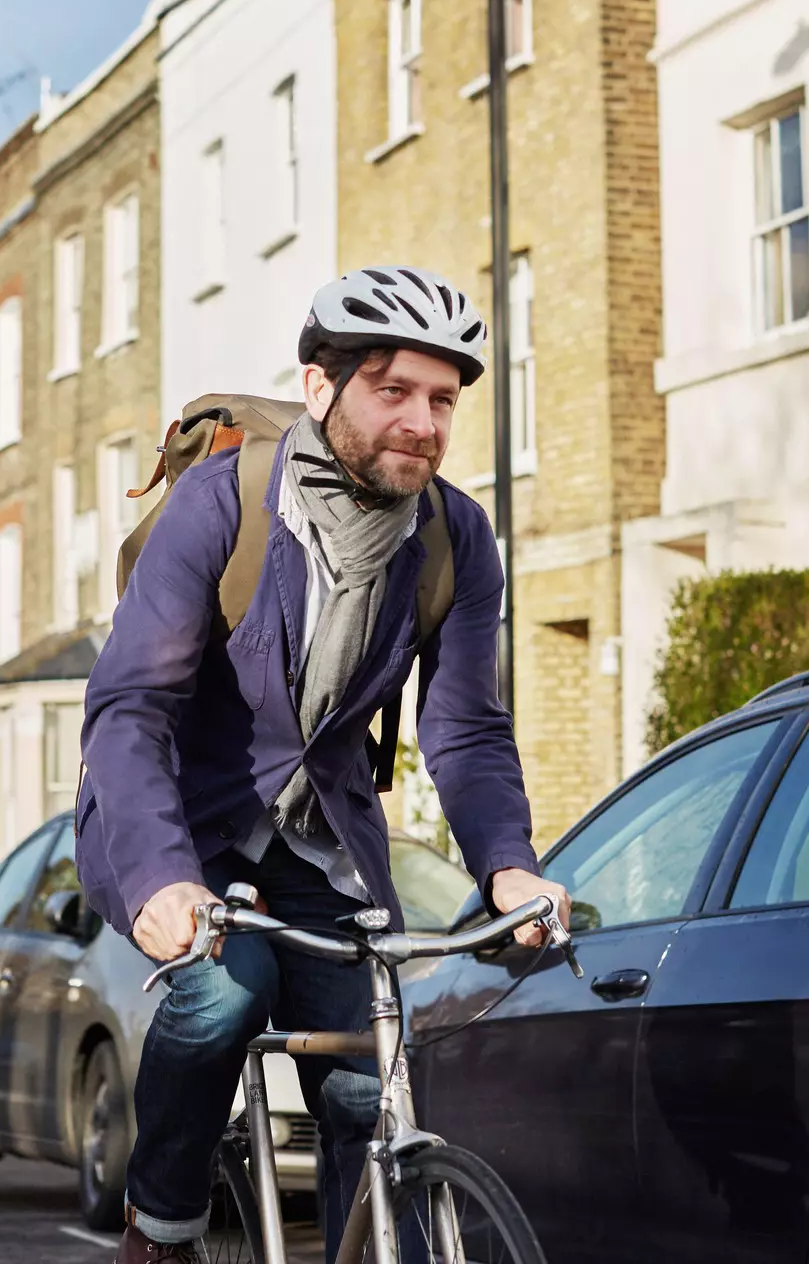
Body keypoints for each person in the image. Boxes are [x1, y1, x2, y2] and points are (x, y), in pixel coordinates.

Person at [74, 265, 570, 1264]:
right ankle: (162, 1226)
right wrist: (164, 880)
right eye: (393, 390)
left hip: (325, 847)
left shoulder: (456, 539)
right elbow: (132, 710)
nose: (423, 422)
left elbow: (465, 728)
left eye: (442, 399)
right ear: (320, 388)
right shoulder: (222, 505)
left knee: (368, 1081)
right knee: (221, 992)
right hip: (180, 823)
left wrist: (507, 863)